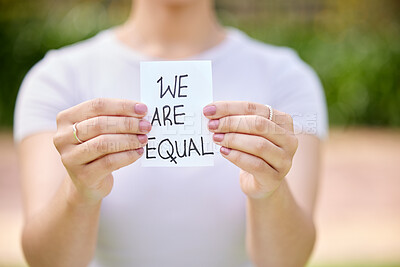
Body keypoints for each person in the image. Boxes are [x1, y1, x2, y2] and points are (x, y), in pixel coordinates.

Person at [13, 0, 328, 266]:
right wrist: (78, 192)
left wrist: (270, 191)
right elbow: (45, 260)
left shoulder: (288, 78)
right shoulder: (56, 79)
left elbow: (290, 260)